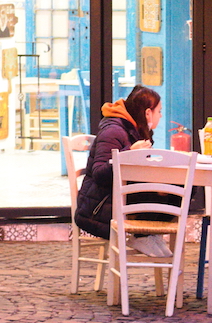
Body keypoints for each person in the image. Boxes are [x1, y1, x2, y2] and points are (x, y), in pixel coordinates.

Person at [74, 85, 174, 257]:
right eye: (159, 111)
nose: (161, 116)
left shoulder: (134, 130)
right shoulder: (114, 130)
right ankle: (142, 235)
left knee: (184, 186)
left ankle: (147, 234)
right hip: (101, 206)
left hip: (121, 197)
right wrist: (129, 154)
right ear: (148, 113)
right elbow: (99, 173)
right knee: (173, 190)